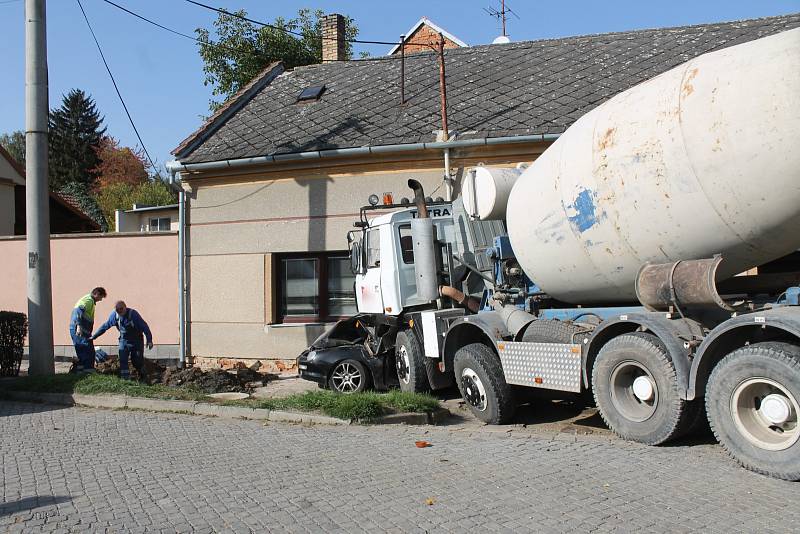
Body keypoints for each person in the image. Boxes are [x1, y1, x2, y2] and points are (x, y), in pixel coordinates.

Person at [91, 300, 153, 380]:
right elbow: (105, 326)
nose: (120, 311)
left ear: (125, 307)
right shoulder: (114, 316)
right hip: (124, 340)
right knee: (123, 358)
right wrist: (94, 336)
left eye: (121, 309)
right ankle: (125, 379)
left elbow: (144, 326)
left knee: (137, 360)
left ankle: (143, 376)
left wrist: (149, 340)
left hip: (137, 341)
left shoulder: (133, 314)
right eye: (117, 309)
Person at [70, 287, 107, 373]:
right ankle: (87, 372)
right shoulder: (88, 300)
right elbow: (77, 311)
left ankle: (82, 371)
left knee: (86, 350)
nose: (100, 300)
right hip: (80, 330)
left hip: (84, 331)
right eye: (101, 297)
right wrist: (78, 326)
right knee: (85, 350)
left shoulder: (90, 301)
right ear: (97, 294)